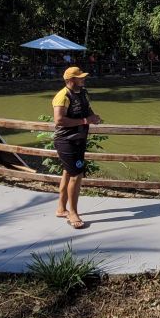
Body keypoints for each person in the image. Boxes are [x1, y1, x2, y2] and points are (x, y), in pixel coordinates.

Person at [52, 66, 101, 229]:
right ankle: (73, 212)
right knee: (76, 175)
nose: (83, 79)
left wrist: (93, 117)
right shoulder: (62, 96)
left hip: (79, 138)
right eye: (80, 77)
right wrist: (85, 121)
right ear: (71, 80)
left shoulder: (83, 93)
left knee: (68, 172)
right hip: (66, 140)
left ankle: (61, 208)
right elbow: (59, 120)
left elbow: (87, 110)